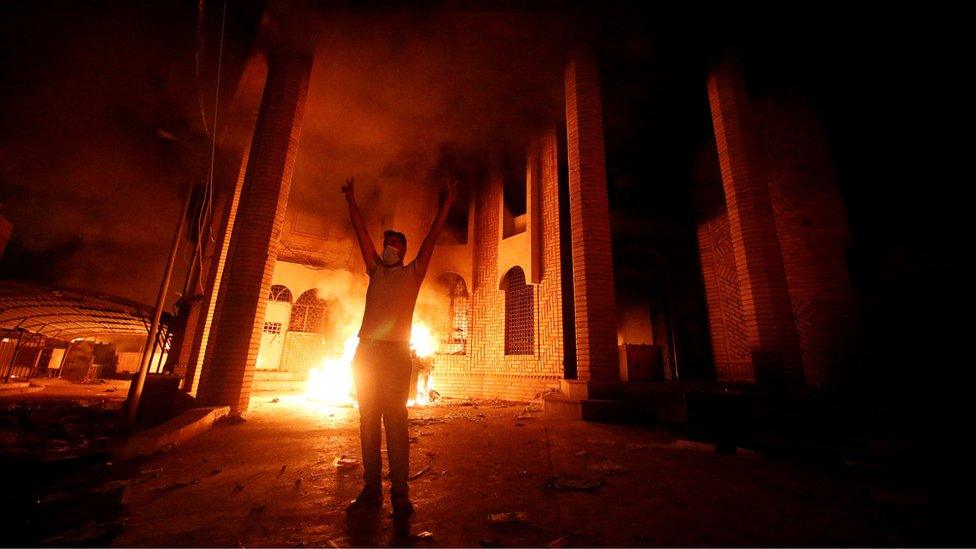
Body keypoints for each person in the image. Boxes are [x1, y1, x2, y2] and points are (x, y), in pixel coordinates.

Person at [341, 176, 458, 520]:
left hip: (395, 356)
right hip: (366, 353)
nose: (389, 248)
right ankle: (371, 490)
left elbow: (433, 237)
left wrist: (448, 203)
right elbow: (362, 235)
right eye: (387, 244)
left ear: (404, 251)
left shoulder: (413, 273)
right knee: (367, 422)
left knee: (395, 422)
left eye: (395, 245)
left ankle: (400, 495)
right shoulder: (374, 270)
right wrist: (351, 200)